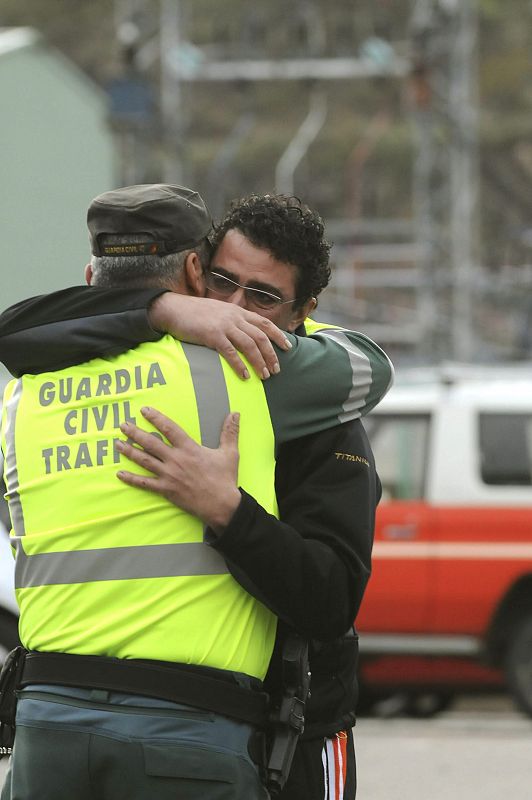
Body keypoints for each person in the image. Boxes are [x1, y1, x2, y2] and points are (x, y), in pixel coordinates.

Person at [0, 185, 392, 800]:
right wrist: (163, 310)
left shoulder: (300, 395)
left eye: (260, 297)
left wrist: (230, 513)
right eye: (219, 282)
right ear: (193, 271)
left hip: (294, 727)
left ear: (303, 312)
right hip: (198, 729)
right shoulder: (175, 360)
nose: (231, 310)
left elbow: (330, 601)